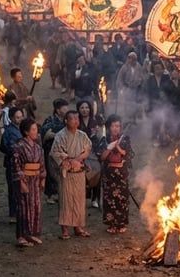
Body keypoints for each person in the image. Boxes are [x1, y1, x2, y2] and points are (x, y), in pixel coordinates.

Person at [51, 110, 93, 239]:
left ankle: (78, 227)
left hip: (79, 172)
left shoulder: (82, 135)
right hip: (67, 173)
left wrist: (78, 160)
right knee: (66, 200)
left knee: (79, 201)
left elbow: (88, 149)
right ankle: (65, 229)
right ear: (66, 121)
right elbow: (55, 152)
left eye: (77, 118)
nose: (76, 121)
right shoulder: (60, 135)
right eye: (72, 119)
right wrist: (69, 161)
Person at [96, 115, 133, 234]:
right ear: (108, 127)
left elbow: (128, 154)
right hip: (109, 174)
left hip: (121, 174)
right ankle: (112, 224)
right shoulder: (104, 139)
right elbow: (101, 157)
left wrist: (117, 146)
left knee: (122, 198)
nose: (115, 128)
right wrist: (109, 147)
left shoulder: (125, 139)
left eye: (117, 126)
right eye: (113, 126)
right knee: (109, 198)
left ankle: (121, 223)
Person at [12, 118, 46, 247]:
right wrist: (21, 182)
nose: (36, 132)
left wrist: (43, 178)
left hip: (35, 180)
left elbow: (42, 164)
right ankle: (22, 235)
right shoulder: (18, 147)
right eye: (33, 129)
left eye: (36, 129)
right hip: (25, 179)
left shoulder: (38, 148)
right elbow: (16, 166)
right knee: (24, 207)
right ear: (26, 132)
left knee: (36, 206)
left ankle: (33, 233)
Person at [41, 99, 70, 204]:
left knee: (62, 171)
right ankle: (50, 195)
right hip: (50, 149)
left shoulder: (67, 120)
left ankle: (60, 193)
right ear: (58, 110)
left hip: (63, 150)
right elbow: (45, 133)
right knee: (50, 171)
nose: (67, 109)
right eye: (64, 108)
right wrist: (56, 135)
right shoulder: (50, 120)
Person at [0, 107, 25, 223]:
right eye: (17, 117)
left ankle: (20, 211)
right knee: (13, 189)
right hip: (12, 163)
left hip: (22, 163)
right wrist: (16, 149)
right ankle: (13, 213)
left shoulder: (22, 129)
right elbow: (4, 147)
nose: (19, 119)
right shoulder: (9, 131)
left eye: (21, 117)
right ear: (11, 118)